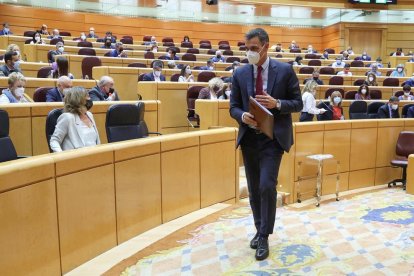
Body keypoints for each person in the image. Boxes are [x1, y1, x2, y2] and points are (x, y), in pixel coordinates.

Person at [230, 28, 302, 261]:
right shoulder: (240, 73)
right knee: (253, 191)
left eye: (254, 48)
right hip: (249, 138)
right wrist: (242, 116)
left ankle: (263, 236)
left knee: (266, 186)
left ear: (265, 46)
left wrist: (277, 103)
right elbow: (233, 106)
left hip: (272, 139)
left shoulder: (284, 70)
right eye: (247, 48)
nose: (249, 52)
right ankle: (260, 229)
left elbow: (298, 103)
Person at [49, 86, 100, 152]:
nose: (90, 99)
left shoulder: (89, 115)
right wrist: (61, 156)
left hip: (93, 156)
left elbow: (96, 141)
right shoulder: (68, 117)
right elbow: (54, 140)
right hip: (74, 158)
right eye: (87, 96)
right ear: (79, 99)